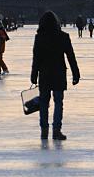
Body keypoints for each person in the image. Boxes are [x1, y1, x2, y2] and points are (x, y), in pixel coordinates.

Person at [30, 11, 80, 140]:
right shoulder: (63, 36)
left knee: (43, 103)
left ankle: (44, 130)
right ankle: (56, 130)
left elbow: (36, 58)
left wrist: (34, 74)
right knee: (58, 102)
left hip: (44, 74)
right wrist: (76, 73)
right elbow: (70, 56)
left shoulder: (39, 37)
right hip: (59, 73)